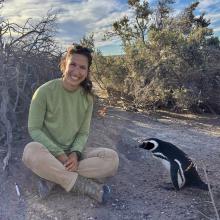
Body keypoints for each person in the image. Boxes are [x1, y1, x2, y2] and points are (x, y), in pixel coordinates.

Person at [22, 44, 119, 204]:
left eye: (82, 67)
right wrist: (60, 155)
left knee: (111, 159)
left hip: (73, 156)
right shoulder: (44, 91)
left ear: (87, 72)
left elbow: (83, 132)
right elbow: (34, 129)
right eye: (72, 64)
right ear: (64, 64)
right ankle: (87, 187)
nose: (77, 71)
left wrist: (75, 153)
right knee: (30, 152)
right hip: (48, 152)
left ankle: (53, 178)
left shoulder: (87, 98)